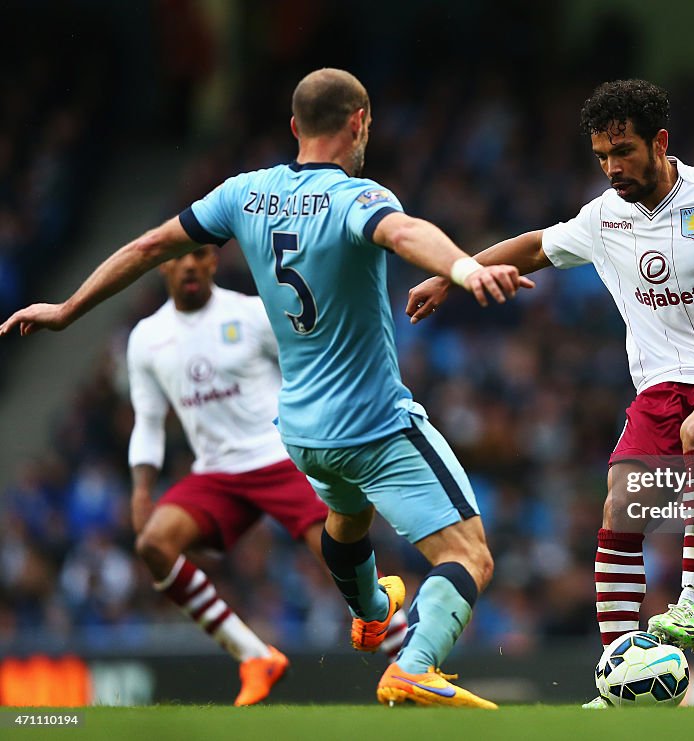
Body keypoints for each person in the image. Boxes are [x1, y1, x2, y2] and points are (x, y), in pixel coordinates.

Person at [1, 68, 533, 709]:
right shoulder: (358, 198)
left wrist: (66, 309)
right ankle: (413, 663)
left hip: (303, 435)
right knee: (470, 554)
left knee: (347, 517)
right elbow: (404, 231)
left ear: (293, 128)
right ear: (359, 122)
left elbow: (148, 245)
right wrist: (464, 264)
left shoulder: (243, 193)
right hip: (374, 423)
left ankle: (368, 610)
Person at [406, 79, 694, 707]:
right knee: (619, 507)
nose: (612, 168)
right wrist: (454, 273)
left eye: (623, 151)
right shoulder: (602, 217)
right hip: (660, 391)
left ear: (659, 141)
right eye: (602, 155)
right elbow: (535, 248)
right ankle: (617, 678)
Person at [127, 244, 407, 706]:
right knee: (154, 545)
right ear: (164, 265)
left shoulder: (253, 313)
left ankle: (412, 661)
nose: (191, 264)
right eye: (181, 257)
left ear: (214, 262)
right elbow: (149, 420)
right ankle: (255, 656)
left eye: (200, 255)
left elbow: (308, 373)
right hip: (217, 473)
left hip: (279, 457)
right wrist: (141, 489)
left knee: (340, 558)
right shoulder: (147, 337)